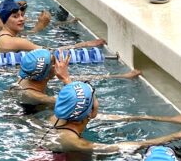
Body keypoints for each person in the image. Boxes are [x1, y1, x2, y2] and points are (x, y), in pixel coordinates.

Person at [23, 82, 181, 161]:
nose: (98, 100)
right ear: (89, 112)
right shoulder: (72, 140)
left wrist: (171, 119)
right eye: (94, 98)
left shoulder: (61, 116)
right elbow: (124, 147)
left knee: (105, 159)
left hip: (50, 157)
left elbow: (118, 118)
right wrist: (180, 134)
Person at [10, 48, 142, 114]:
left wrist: (121, 76)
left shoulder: (27, 74)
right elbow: (81, 100)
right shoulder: (37, 96)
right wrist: (66, 79)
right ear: (47, 72)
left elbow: (77, 80)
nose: (59, 63)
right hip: (28, 120)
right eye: (55, 62)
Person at [0, 0, 103, 54]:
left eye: (21, 15)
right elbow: (52, 51)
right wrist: (85, 44)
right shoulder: (17, 41)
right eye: (15, 17)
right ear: (4, 20)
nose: (22, 19)